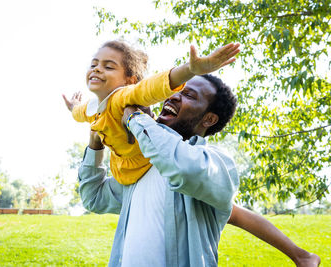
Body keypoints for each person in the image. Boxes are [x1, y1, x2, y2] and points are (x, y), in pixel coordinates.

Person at [77, 75, 320, 266]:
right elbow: (93, 197)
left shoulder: (215, 163)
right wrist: (96, 141)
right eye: (174, 91)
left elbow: (181, 167)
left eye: (189, 95)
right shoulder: (140, 167)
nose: (172, 97)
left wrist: (135, 118)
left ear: (209, 119)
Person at [63, 39, 240, 185]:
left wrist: (189, 70)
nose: (97, 69)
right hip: (120, 166)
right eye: (93, 64)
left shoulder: (123, 96)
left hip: (142, 160)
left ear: (129, 81)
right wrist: (73, 107)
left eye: (108, 67)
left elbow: (151, 88)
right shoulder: (92, 107)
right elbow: (78, 113)